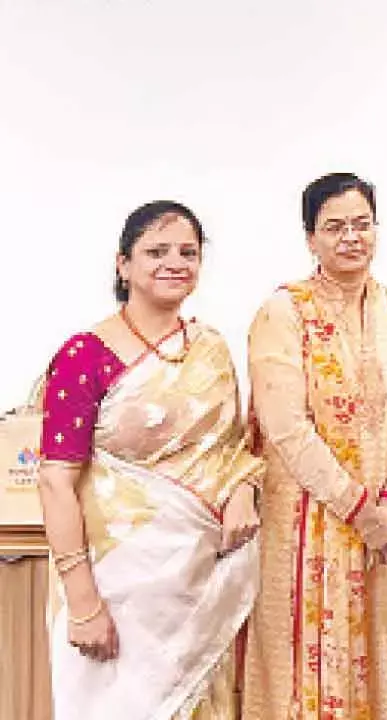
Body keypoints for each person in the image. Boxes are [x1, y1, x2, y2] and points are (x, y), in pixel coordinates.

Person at [37, 201, 262, 719]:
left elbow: (232, 453)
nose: (174, 263)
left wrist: (244, 492)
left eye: (188, 252)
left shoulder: (209, 349)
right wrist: (83, 602)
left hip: (200, 582)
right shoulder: (85, 354)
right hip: (114, 584)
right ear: (124, 265)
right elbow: (55, 481)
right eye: (156, 252)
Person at [242, 172, 387, 719]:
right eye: (335, 226)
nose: (351, 237)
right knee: (304, 675)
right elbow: (286, 429)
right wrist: (357, 507)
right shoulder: (283, 312)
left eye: (362, 224)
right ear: (310, 239)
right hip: (307, 525)